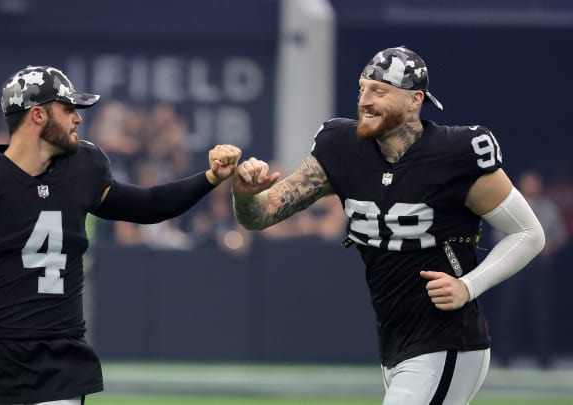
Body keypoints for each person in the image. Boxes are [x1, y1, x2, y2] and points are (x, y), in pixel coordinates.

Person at [0, 65, 242, 405]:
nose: (78, 119)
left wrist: (209, 178)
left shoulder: (84, 167)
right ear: (38, 115)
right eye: (68, 109)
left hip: (61, 366)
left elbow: (147, 205)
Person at [232, 46, 545, 405]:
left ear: (415, 100)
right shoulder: (341, 147)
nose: (364, 100)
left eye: (379, 91)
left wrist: (468, 285)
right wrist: (244, 195)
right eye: (362, 89)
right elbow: (260, 216)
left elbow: (528, 233)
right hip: (395, 340)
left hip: (447, 339)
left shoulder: (456, 153)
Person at [493, 170, 568, 368]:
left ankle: (544, 355)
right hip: (515, 265)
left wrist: (549, 246)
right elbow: (498, 235)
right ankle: (504, 353)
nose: (531, 186)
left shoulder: (548, 207)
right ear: (520, 184)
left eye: (534, 183)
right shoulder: (509, 206)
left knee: (541, 311)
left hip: (539, 266)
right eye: (528, 183)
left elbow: (560, 234)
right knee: (509, 309)